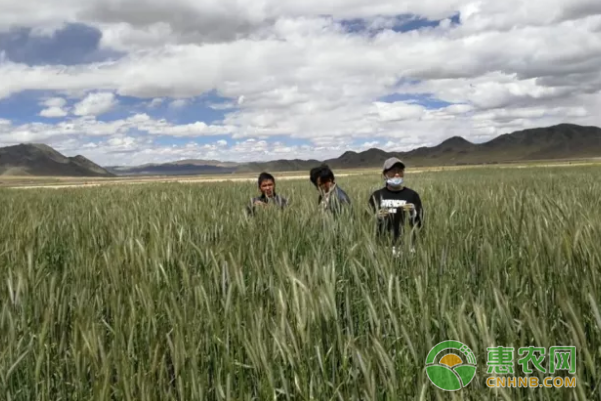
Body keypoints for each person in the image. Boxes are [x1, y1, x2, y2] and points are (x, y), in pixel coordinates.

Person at [368, 157, 423, 255]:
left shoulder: (412, 195)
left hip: (407, 247)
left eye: (400, 171)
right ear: (385, 174)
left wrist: (413, 212)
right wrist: (376, 216)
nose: (397, 174)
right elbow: (367, 220)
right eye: (393, 171)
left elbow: (421, 222)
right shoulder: (376, 196)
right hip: (383, 247)